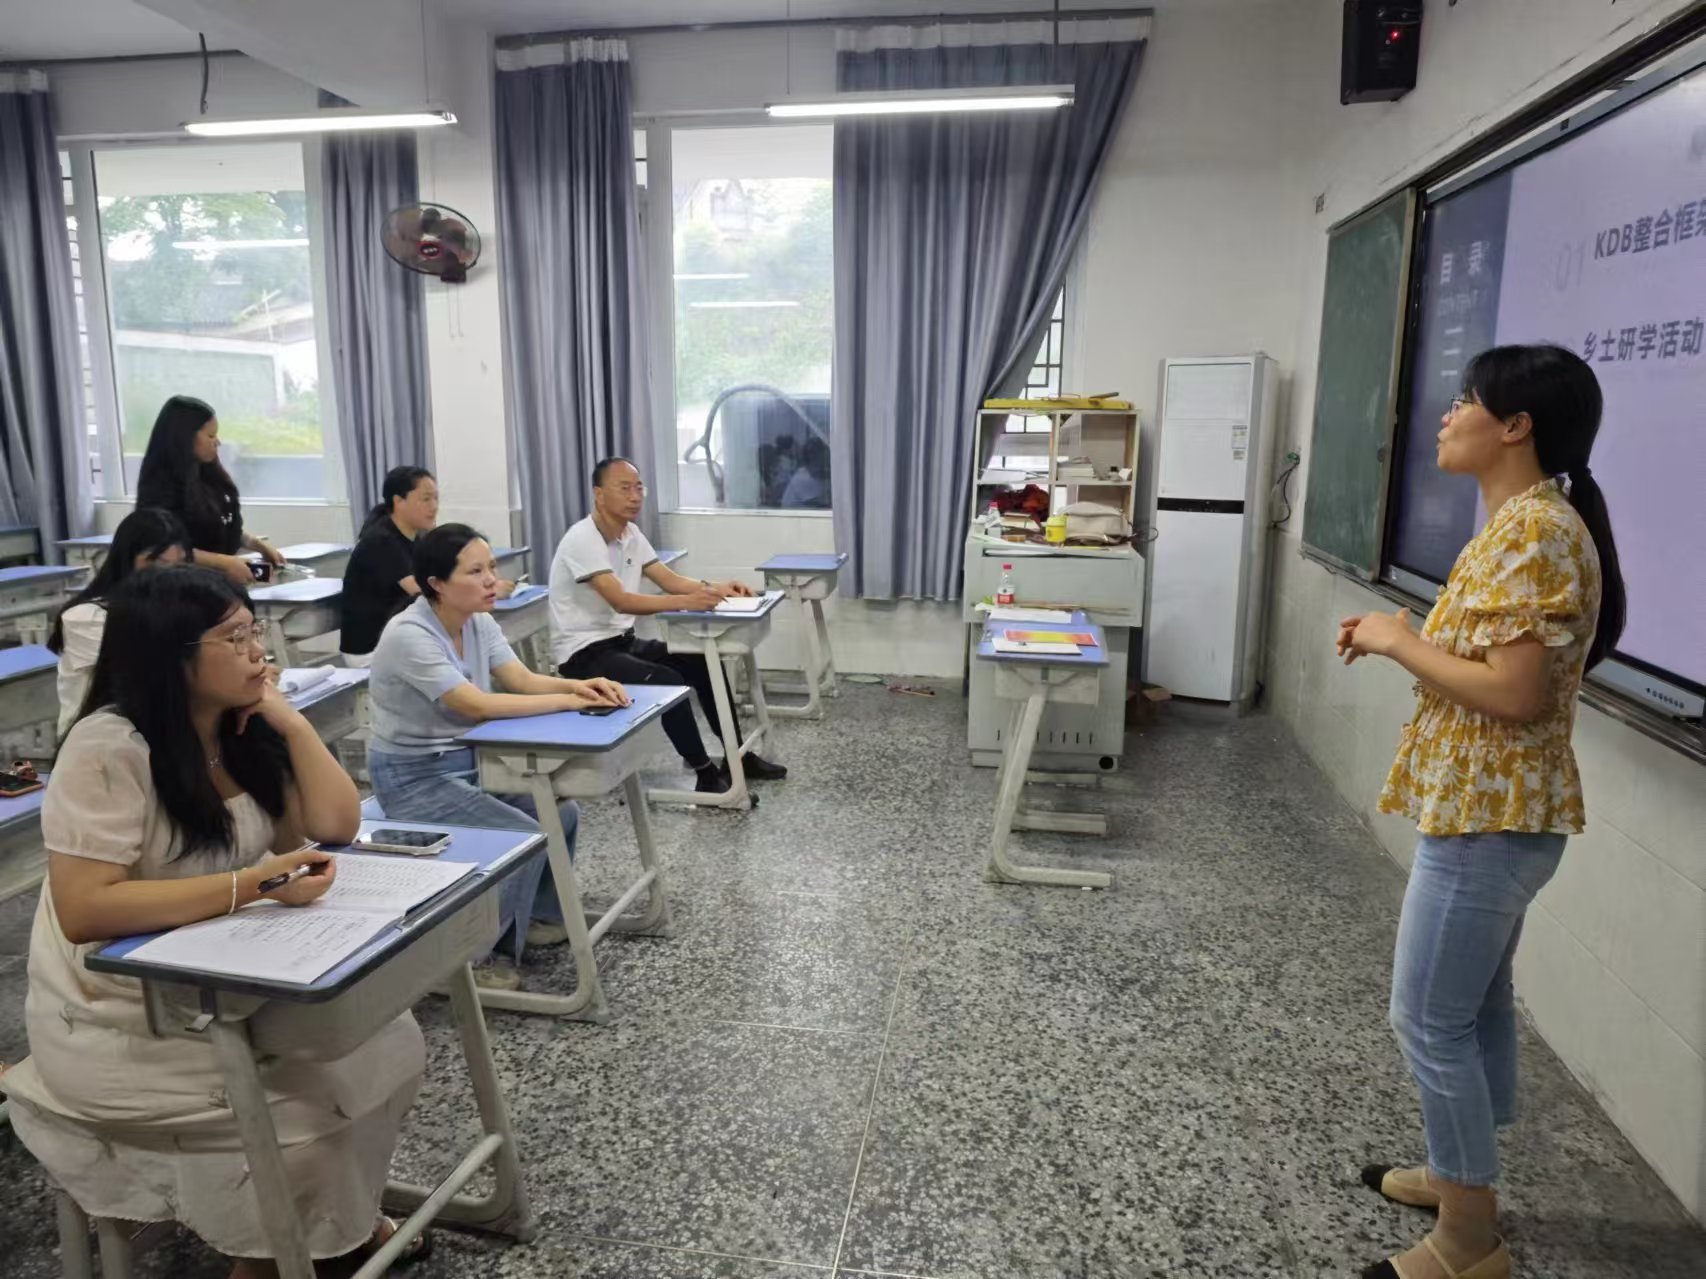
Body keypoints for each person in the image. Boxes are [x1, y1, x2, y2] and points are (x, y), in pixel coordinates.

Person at [0, 566, 426, 1277]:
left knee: (386, 1039)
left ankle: (331, 1223)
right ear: (171, 655)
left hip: (225, 972)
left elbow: (336, 825)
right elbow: (84, 908)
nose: (258, 650)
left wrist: (289, 719)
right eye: (234, 637)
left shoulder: (242, 728)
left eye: (254, 630)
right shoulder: (108, 747)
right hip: (120, 1015)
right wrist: (252, 884)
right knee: (305, 1114)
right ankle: (268, 1256)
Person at [1337, 345, 1624, 1279]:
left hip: (1490, 822)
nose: (1446, 414)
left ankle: (1467, 1241)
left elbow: (1512, 692)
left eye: (1465, 400)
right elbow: (1495, 668)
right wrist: (1402, 636)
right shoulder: (1522, 522)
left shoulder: (1535, 531)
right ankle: (1459, 1171)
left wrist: (1397, 640)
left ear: (1516, 425)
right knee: (1473, 1004)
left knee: (1428, 1020)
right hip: (1489, 812)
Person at [366, 523, 628, 991]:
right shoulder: (409, 634)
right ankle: (480, 957)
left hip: (469, 763)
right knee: (519, 836)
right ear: (436, 584)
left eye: (491, 567)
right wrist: (569, 702)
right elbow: (477, 705)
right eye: (475, 572)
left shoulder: (477, 620)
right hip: (414, 777)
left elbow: (522, 680)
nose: (492, 580)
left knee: (561, 813)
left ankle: (539, 917)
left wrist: (580, 686)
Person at [549, 456, 788, 794]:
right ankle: (705, 774)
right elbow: (622, 601)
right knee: (668, 681)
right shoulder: (582, 539)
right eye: (625, 488)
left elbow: (669, 580)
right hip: (582, 654)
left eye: (639, 488)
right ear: (598, 494)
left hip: (622, 642)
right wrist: (687, 601)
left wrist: (717, 588)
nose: (635, 496)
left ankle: (737, 756)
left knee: (703, 661)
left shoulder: (631, 533)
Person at [47, 507, 194, 739]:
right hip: (95, 738)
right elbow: (150, 673)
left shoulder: (180, 608)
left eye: (180, 566)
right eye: (155, 563)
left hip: (154, 730)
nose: (169, 577)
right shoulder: (86, 618)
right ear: (126, 560)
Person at [134, 395, 286, 588]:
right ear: (185, 438)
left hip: (214, 583)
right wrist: (225, 562)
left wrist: (257, 545)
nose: (218, 442)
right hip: (179, 588)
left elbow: (213, 523)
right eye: (211, 436)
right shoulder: (159, 487)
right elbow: (162, 550)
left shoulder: (206, 474)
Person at [339, 466, 439, 666]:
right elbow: (422, 592)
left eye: (436, 498)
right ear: (399, 501)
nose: (434, 506)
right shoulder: (381, 541)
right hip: (371, 650)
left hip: (399, 640)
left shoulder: (414, 538)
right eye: (426, 499)